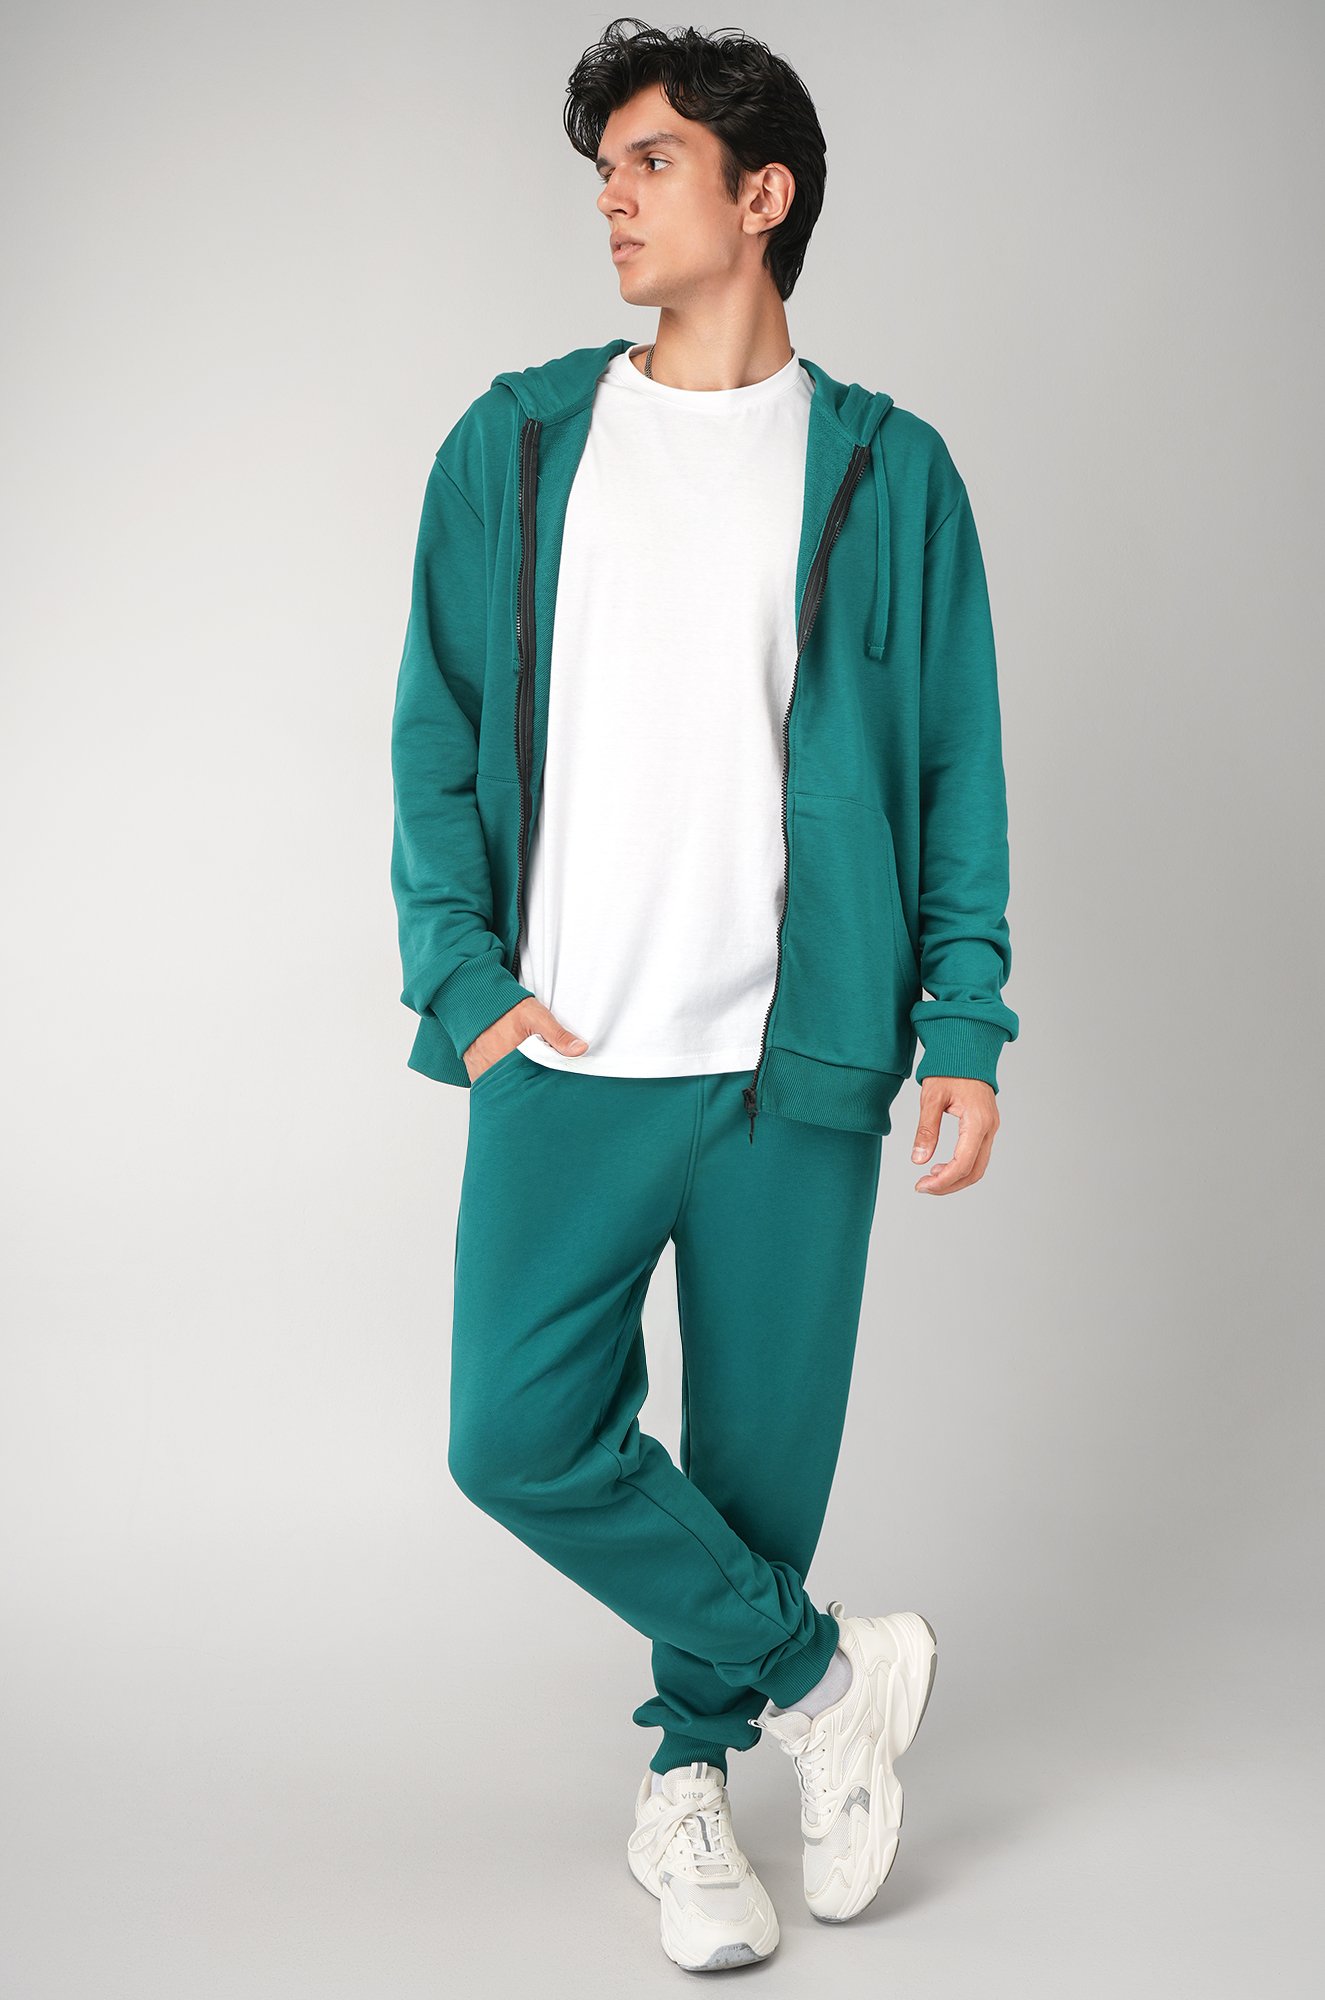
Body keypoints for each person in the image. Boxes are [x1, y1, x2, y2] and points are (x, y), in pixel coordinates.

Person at [389, 17, 1017, 1973]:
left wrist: (964, 1023)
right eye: (606, 169)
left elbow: (953, 765)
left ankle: (689, 1786)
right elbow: (434, 735)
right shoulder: (516, 445)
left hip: (795, 1059)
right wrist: (461, 976)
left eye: (651, 161)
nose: (612, 197)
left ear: (766, 194)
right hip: (568, 1044)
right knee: (515, 1432)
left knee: (754, 1466)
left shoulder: (890, 472)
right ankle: (832, 1684)